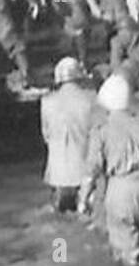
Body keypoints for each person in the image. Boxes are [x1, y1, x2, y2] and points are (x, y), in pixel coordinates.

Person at [80, 73, 139, 266]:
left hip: (119, 193)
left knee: (130, 260)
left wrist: (83, 201)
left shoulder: (102, 130)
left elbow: (92, 170)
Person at [41, 57, 102, 212]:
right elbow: (99, 138)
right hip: (84, 174)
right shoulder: (92, 100)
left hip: (56, 174)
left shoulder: (46, 101)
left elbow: (46, 136)